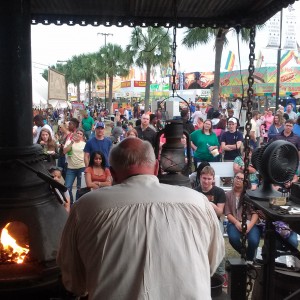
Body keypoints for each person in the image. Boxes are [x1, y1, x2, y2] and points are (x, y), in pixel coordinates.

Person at [57, 138, 224, 300]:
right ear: (157, 167)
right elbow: (212, 261)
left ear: (113, 173)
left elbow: (74, 282)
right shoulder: (198, 202)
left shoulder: (85, 207)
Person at [194, 166, 227, 286]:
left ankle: (221, 271)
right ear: (200, 178)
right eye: (204, 178)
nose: (206, 181)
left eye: (209, 179)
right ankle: (200, 270)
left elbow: (220, 212)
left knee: (219, 242)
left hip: (215, 220)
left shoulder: (219, 192)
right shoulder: (195, 191)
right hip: (199, 220)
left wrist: (209, 204)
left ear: (213, 179)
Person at [225, 172, 260, 261]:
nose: (238, 180)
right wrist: (236, 223)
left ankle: (248, 259)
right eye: (237, 177)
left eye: (242, 179)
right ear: (234, 178)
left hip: (249, 222)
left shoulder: (249, 195)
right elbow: (228, 213)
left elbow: (255, 213)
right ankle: (248, 258)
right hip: (234, 222)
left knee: (254, 241)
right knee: (233, 238)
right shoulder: (228, 195)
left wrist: (249, 226)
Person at [63, 129, 86, 204]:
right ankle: (71, 203)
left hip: (82, 167)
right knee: (67, 187)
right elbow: (64, 151)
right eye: (77, 133)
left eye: (81, 134)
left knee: (80, 188)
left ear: (82, 136)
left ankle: (77, 203)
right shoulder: (69, 142)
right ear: (74, 134)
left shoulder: (84, 144)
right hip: (71, 168)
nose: (79, 135)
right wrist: (72, 142)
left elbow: (87, 156)